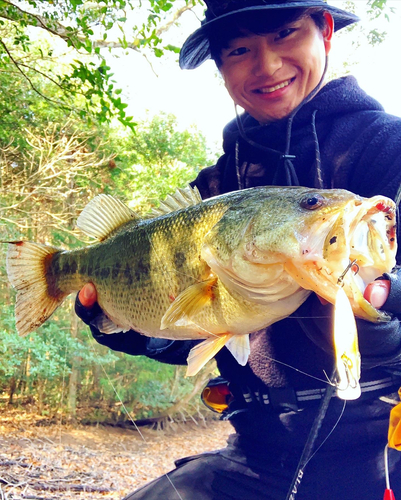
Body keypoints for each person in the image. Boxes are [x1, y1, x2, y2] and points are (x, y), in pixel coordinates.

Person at [75, 1, 401, 498]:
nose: (267, 65)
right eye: (240, 49)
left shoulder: (388, 149)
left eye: (286, 33)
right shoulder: (213, 190)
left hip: (384, 452)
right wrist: (118, 322)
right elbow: (193, 332)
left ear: (325, 31)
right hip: (256, 455)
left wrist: (379, 308)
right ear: (222, 68)